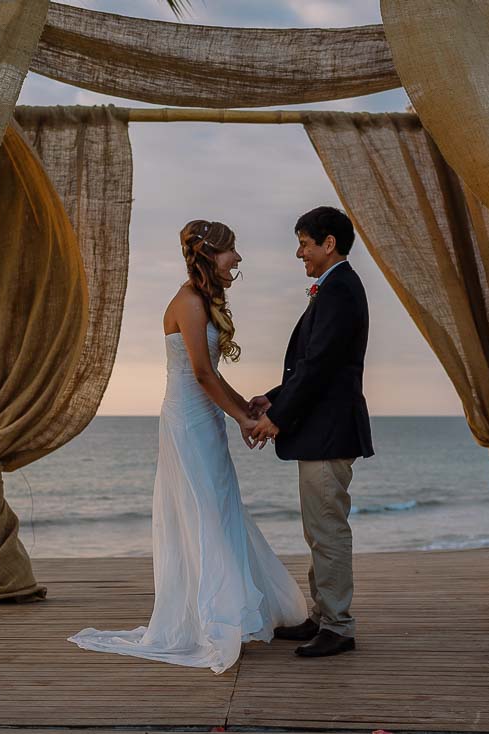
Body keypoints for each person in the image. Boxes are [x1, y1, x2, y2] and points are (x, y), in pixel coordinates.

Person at [68, 220, 307, 673]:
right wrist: (245, 419)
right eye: (231, 250)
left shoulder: (200, 300)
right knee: (202, 512)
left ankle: (230, 614)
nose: (237, 259)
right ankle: (210, 622)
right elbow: (201, 374)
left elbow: (213, 377)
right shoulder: (188, 303)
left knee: (219, 507)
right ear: (209, 254)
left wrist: (246, 413)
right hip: (187, 421)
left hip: (205, 418)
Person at [249, 206, 373, 658]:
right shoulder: (335, 287)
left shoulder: (340, 289)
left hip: (328, 431)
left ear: (329, 244)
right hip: (323, 429)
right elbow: (313, 365)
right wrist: (274, 397)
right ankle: (323, 617)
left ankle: (338, 626)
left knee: (328, 531)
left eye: (304, 242)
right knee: (319, 530)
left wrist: (278, 418)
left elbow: (319, 367)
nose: (299, 251)